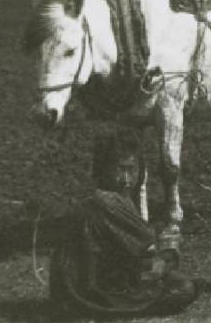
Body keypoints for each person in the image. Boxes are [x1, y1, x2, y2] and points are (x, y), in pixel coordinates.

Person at [49, 130, 200, 317]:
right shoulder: (108, 202)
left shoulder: (96, 197)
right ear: (103, 170)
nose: (127, 180)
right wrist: (167, 256)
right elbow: (148, 245)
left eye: (132, 170)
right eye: (120, 169)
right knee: (184, 288)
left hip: (69, 293)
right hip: (90, 295)